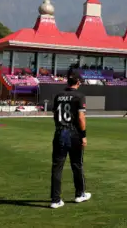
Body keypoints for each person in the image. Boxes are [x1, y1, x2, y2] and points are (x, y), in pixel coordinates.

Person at [50, 74, 91, 209]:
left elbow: (55, 115)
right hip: (73, 133)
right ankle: (80, 194)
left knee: (57, 167)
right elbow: (81, 117)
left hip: (60, 132)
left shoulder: (58, 95)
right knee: (77, 165)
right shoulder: (79, 96)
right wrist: (83, 135)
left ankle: (55, 200)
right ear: (78, 82)